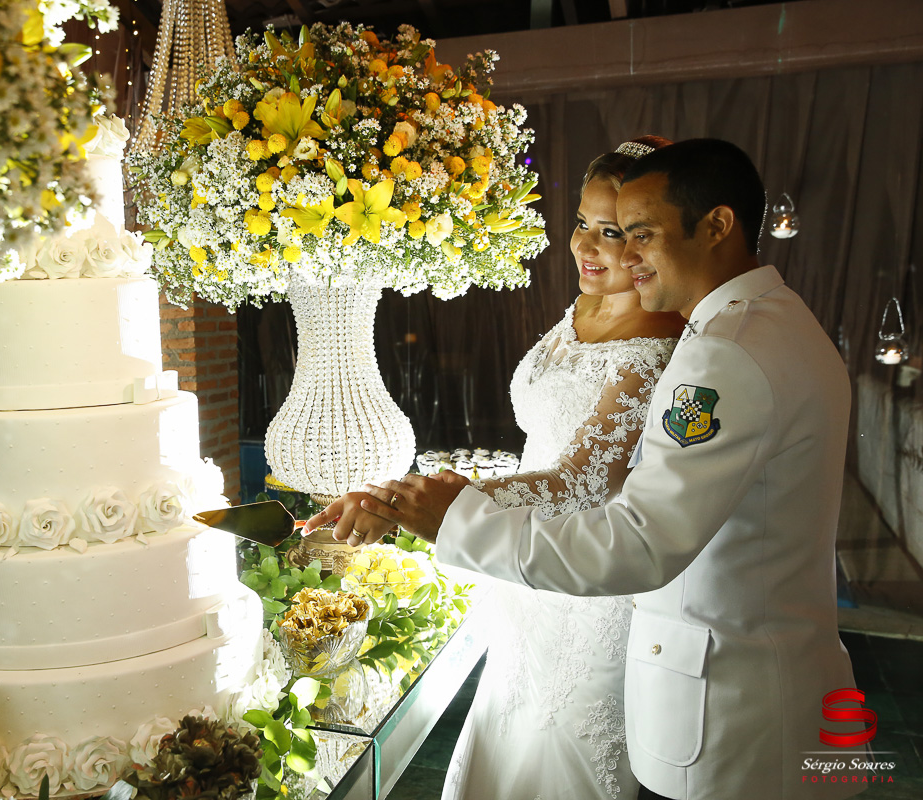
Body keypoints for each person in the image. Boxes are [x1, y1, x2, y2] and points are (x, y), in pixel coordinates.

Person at [310, 139, 862, 799]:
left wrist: (453, 516)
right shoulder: (778, 323)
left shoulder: (724, 356)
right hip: (766, 690)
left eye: (640, 235)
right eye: (608, 231)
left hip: (732, 713)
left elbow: (637, 543)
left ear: (716, 226)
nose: (624, 257)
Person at [317, 136, 685, 799]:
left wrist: (418, 501)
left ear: (647, 241)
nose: (587, 247)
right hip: (522, 573)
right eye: (582, 223)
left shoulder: (658, 336)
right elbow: (543, 442)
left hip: (585, 582)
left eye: (612, 232)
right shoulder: (583, 304)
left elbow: (580, 480)